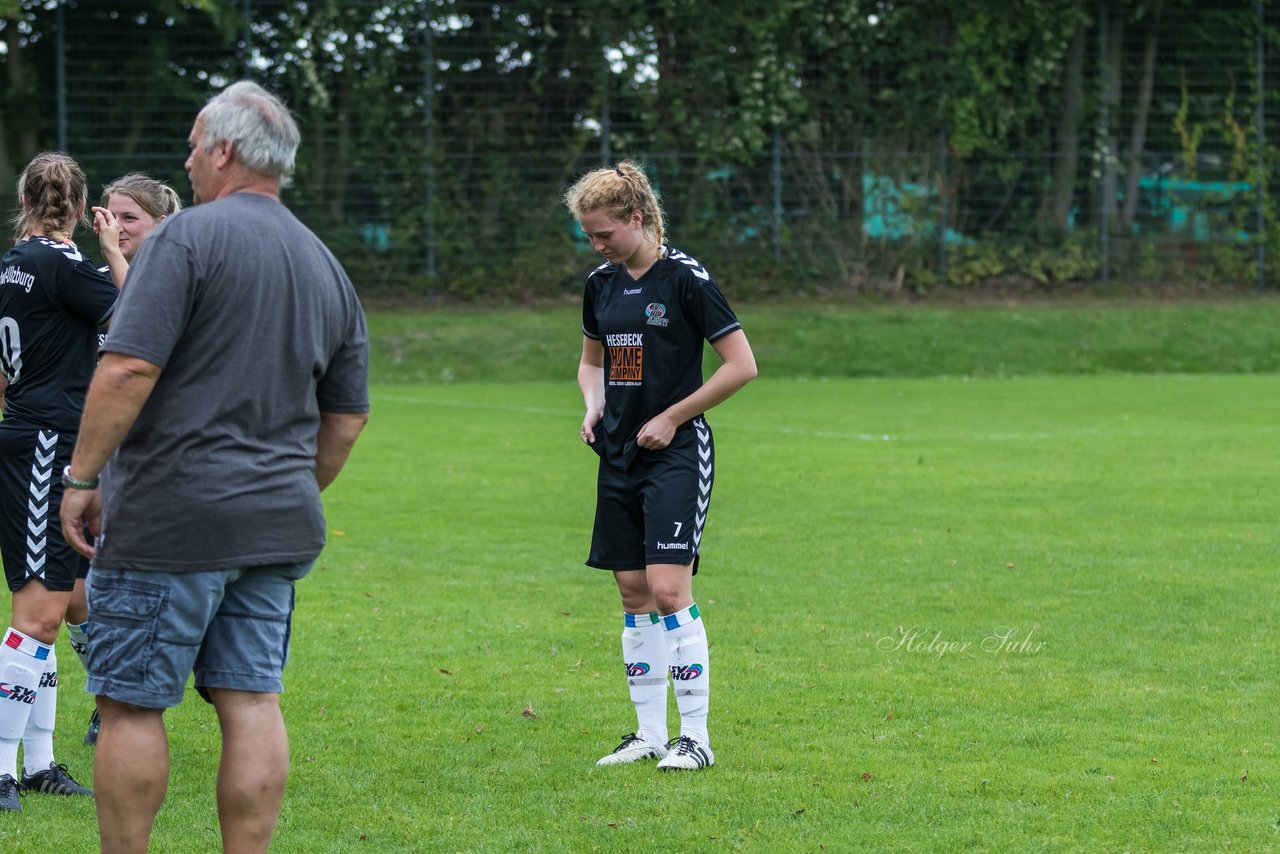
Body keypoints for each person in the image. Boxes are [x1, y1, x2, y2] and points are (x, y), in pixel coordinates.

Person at [58, 80, 369, 852]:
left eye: (196, 145)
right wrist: (292, 484)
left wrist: (82, 479)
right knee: (252, 700)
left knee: (131, 704)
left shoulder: (182, 239)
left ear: (225, 151)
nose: (188, 160)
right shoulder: (323, 260)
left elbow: (127, 370)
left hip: (172, 519)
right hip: (277, 527)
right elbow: (348, 417)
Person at [563, 160, 757, 771]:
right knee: (632, 591)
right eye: (589, 237)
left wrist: (673, 416)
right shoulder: (602, 283)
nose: (596, 246)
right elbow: (592, 362)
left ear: (638, 219)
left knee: (671, 590)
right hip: (617, 454)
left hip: (674, 452)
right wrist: (594, 406)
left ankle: (695, 738)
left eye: (604, 234)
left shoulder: (686, 280)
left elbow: (740, 365)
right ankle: (648, 733)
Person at [0, 151, 125, 811]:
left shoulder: (8, 266)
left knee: (64, 605)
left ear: (25, 198)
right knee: (39, 614)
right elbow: (140, 318)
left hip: (27, 437)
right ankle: (1, 769)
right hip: (48, 442)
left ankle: (41, 763)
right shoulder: (62, 264)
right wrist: (110, 249)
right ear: (78, 208)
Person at [67, 172, 182, 747]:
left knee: (124, 592)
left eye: (129, 217)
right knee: (79, 597)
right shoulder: (100, 278)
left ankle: (120, 700)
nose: (114, 226)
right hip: (108, 459)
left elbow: (135, 318)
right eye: (107, 216)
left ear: (163, 224)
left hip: (158, 467)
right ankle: (109, 690)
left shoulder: (175, 276)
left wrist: (111, 251)